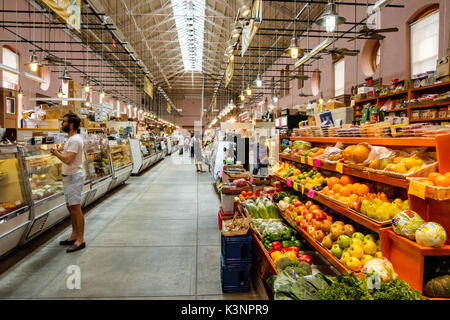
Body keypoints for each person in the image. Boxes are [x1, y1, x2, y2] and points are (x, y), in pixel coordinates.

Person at [50, 113, 86, 253]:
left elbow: (68, 160)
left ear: (71, 124)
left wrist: (55, 152)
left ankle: (80, 240)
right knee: (71, 207)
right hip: (69, 177)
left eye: (64, 122)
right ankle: (74, 236)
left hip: (74, 177)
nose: (62, 124)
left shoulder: (75, 140)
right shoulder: (70, 139)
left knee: (76, 208)